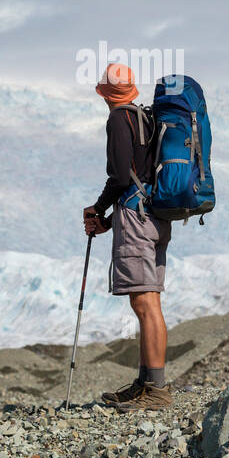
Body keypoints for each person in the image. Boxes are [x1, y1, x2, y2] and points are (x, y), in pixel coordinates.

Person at [83, 62, 173, 411]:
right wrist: (107, 219)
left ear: (104, 93)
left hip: (135, 216)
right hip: (156, 216)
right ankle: (146, 383)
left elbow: (121, 177)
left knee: (145, 303)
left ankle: (157, 391)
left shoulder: (119, 119)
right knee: (149, 302)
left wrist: (98, 208)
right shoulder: (146, 117)